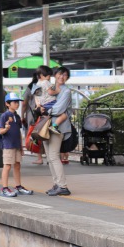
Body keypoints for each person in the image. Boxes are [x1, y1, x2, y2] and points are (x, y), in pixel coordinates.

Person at [43, 67, 73, 196]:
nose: (62, 76)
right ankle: (57, 184)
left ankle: (62, 186)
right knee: (50, 157)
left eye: (65, 75)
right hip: (47, 125)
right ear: (55, 75)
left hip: (58, 127)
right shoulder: (54, 90)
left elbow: (59, 109)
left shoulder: (66, 91)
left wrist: (45, 111)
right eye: (60, 74)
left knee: (54, 156)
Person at [0, 92, 34, 197]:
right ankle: (4, 188)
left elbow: (18, 131)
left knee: (17, 165)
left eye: (17, 102)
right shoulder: (4, 116)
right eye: (14, 102)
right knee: (7, 166)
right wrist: (6, 129)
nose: (17, 104)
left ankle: (18, 186)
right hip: (8, 145)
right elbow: (0, 131)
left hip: (16, 145)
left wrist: (21, 146)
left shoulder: (17, 116)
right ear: (7, 104)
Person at [23, 65, 52, 165]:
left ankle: (39, 157)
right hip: (46, 113)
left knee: (36, 134)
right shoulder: (48, 85)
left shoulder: (31, 86)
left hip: (34, 115)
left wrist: (22, 115)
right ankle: (49, 157)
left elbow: (24, 103)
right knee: (47, 133)